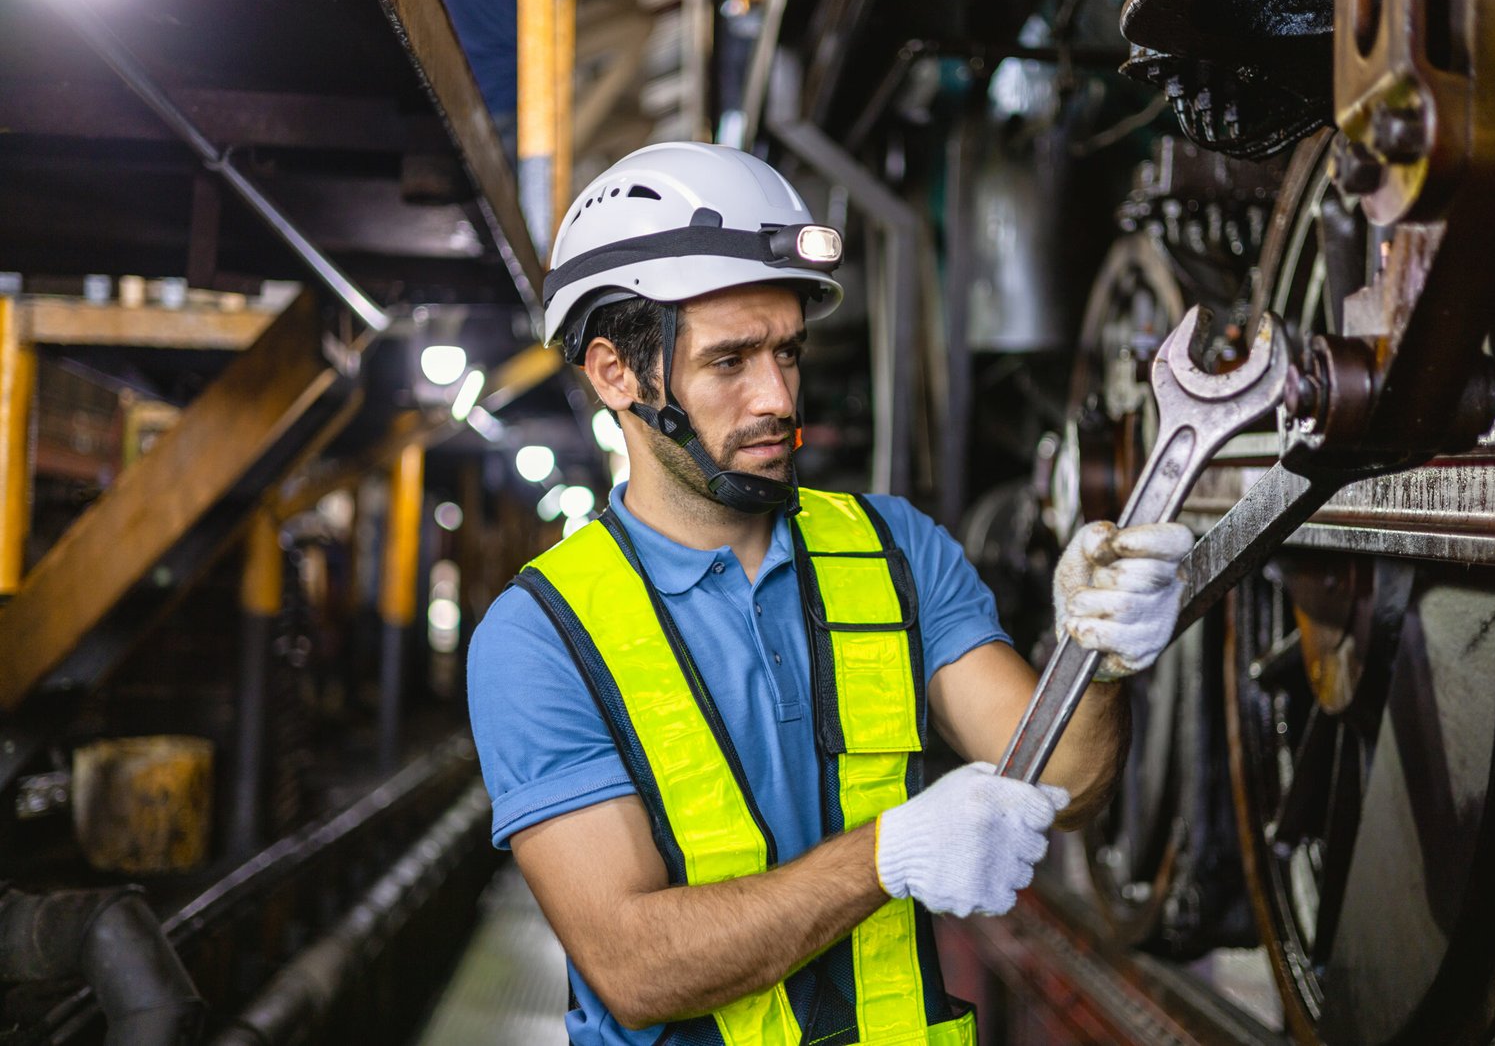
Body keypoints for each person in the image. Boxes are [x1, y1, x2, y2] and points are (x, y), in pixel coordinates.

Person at [466, 142, 1192, 1045]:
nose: (778, 396)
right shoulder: (541, 638)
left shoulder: (893, 549)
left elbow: (1064, 787)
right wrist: (884, 857)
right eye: (731, 362)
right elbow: (633, 965)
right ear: (617, 374)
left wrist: (1100, 654)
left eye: (788, 352)